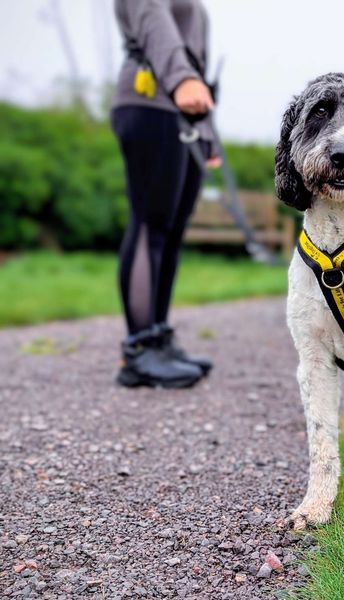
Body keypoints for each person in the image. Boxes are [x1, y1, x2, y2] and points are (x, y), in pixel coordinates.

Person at [111, 0, 218, 388]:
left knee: (171, 232)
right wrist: (180, 78)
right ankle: (139, 351)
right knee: (149, 225)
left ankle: (158, 336)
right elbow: (153, 19)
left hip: (182, 112)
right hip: (150, 100)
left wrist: (208, 133)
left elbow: (196, 61)